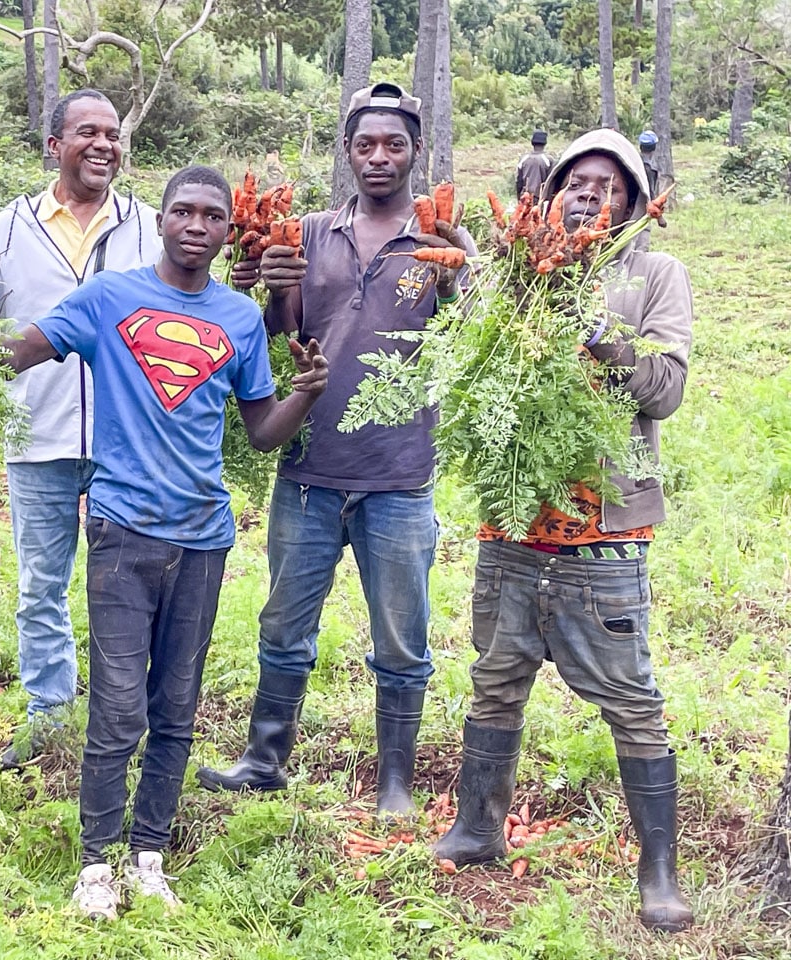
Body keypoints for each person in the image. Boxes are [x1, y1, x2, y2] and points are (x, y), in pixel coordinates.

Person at [4, 164, 330, 919]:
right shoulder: (108, 299)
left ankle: (149, 854)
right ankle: (96, 864)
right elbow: (18, 351)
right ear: (160, 218)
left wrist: (304, 395)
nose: (195, 225)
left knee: (175, 707)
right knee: (118, 707)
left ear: (225, 230)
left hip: (204, 538)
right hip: (121, 532)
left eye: (211, 216)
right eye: (182, 210)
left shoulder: (241, 319)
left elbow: (258, 433)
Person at [433, 129, 695, 935]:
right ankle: (479, 826)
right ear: (548, 197)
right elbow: (467, 352)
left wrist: (598, 334)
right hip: (513, 526)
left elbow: (668, 389)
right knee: (497, 676)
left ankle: (659, 869)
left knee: (632, 700)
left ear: (633, 200)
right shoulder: (519, 265)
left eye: (608, 185)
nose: (589, 194)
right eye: (575, 181)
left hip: (604, 532)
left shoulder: (654, 274)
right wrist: (475, 263)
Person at [196, 82, 473, 817]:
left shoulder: (441, 240)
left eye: (394, 144)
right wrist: (274, 291)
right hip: (310, 471)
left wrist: (467, 274)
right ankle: (264, 758)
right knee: (285, 626)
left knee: (401, 641)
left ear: (416, 152)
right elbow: (285, 338)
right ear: (347, 152)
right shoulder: (311, 231)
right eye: (364, 144)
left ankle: (396, 785)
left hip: (399, 475)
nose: (378, 157)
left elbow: (474, 336)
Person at [0, 89, 162, 768]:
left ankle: (121, 713)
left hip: (128, 438)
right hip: (36, 430)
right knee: (41, 585)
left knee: (126, 583)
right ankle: (50, 715)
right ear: (55, 145)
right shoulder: (5, 229)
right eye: (87, 133)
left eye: (112, 133)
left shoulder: (150, 227)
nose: (104, 144)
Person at [515, 130, 553, 201]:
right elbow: (551, 182)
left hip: (525, 197)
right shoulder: (548, 160)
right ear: (545, 143)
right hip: (541, 198)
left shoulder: (524, 159)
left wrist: (519, 197)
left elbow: (519, 181)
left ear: (532, 143)